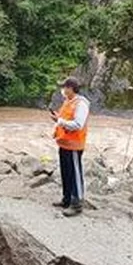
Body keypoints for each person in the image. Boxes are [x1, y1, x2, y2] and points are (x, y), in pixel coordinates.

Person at [50, 77, 90, 217]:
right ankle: (67, 199)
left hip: (74, 145)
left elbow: (78, 124)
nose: (63, 90)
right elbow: (65, 119)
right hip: (64, 143)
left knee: (75, 174)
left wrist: (59, 121)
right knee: (66, 172)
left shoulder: (81, 104)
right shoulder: (68, 102)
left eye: (65, 87)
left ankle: (77, 203)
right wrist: (58, 119)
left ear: (71, 88)